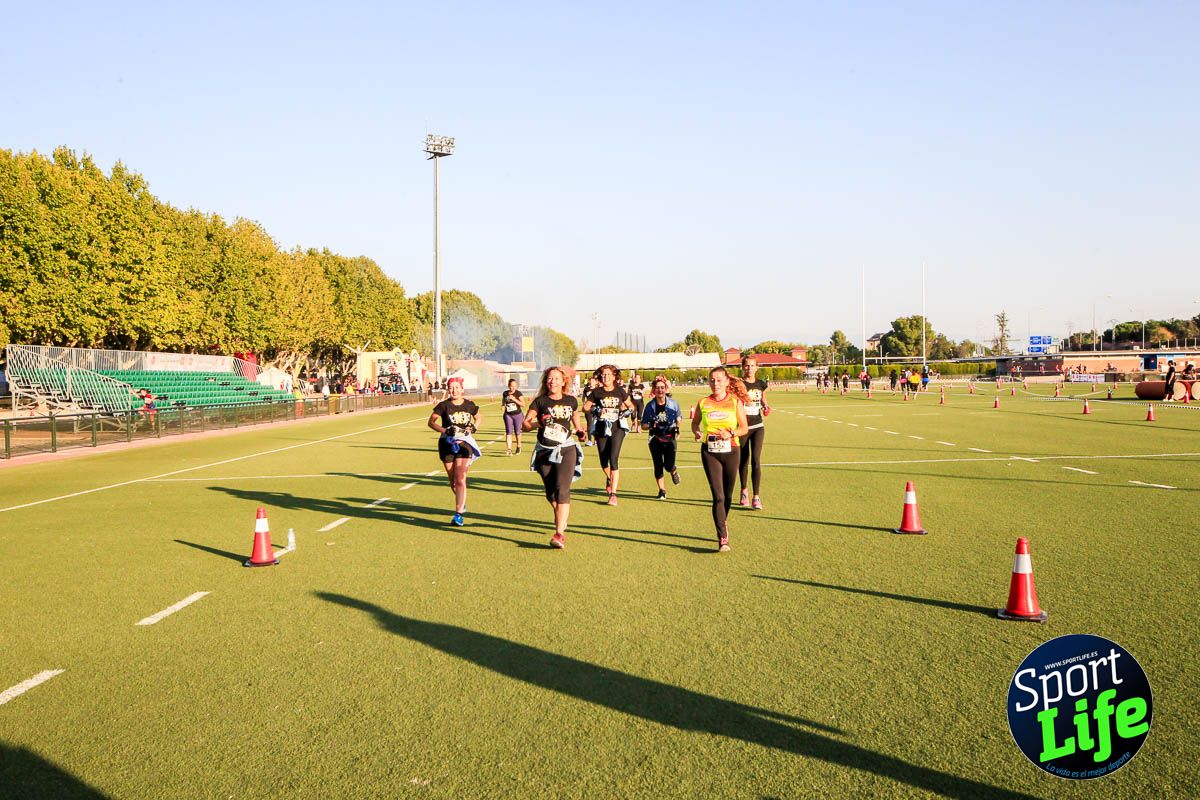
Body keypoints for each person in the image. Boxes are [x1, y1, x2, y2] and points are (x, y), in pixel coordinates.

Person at [524, 366, 587, 549]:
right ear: (546, 382)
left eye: (557, 378)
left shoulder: (571, 401)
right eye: (550, 379)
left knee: (562, 490)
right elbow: (525, 425)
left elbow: (577, 422)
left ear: (563, 381)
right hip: (544, 450)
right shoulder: (540, 402)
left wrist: (581, 432)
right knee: (550, 493)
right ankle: (562, 516)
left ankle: (559, 534)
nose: (553, 382)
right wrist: (538, 423)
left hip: (566, 449)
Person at [690, 367, 750, 552]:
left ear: (726, 382)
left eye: (718, 380)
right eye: (712, 380)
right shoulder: (703, 402)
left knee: (729, 496)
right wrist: (696, 432)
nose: (715, 383)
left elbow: (744, 428)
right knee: (718, 496)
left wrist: (730, 432)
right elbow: (694, 423)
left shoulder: (735, 402)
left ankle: (723, 520)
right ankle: (722, 537)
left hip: (731, 450)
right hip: (710, 452)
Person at [427, 377, 482, 527]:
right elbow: (431, 422)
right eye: (451, 387)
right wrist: (445, 430)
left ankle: (458, 514)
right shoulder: (443, 406)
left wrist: (474, 427)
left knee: (460, 478)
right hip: (447, 444)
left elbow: (478, 418)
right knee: (452, 481)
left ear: (462, 389)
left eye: (457, 387)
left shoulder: (469, 405)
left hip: (465, 444)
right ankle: (461, 502)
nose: (454, 390)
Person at [583, 365, 635, 506]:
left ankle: (613, 494)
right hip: (601, 427)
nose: (605, 377)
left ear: (614, 376)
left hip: (617, 427)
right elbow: (585, 407)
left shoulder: (620, 391)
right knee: (603, 461)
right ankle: (609, 478)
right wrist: (595, 409)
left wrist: (626, 413)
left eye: (608, 374)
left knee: (613, 459)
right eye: (603, 374)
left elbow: (631, 406)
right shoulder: (596, 392)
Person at [641, 376, 682, 499]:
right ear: (653, 390)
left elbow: (679, 418)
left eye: (662, 387)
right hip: (655, 439)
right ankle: (662, 490)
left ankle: (673, 471)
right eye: (657, 388)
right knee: (658, 465)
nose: (660, 390)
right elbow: (643, 425)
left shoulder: (673, 404)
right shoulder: (649, 406)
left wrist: (677, 428)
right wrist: (650, 426)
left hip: (670, 439)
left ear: (666, 389)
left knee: (668, 465)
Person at [738, 355, 769, 509]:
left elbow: (763, 400)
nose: (749, 368)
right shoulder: (739, 384)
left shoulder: (761, 384)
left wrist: (766, 406)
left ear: (757, 367)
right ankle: (744, 491)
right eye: (747, 366)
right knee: (744, 460)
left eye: (752, 365)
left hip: (758, 426)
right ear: (743, 367)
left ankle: (756, 497)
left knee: (756, 460)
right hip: (743, 427)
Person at [501, 378, 525, 455]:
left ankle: (518, 446)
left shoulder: (518, 393)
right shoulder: (505, 393)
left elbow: (523, 404)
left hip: (517, 415)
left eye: (514, 386)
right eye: (511, 386)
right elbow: (503, 400)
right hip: (508, 415)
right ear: (508, 386)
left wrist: (514, 399)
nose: (513, 387)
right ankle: (509, 449)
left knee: (517, 432)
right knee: (508, 432)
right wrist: (502, 405)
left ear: (516, 386)